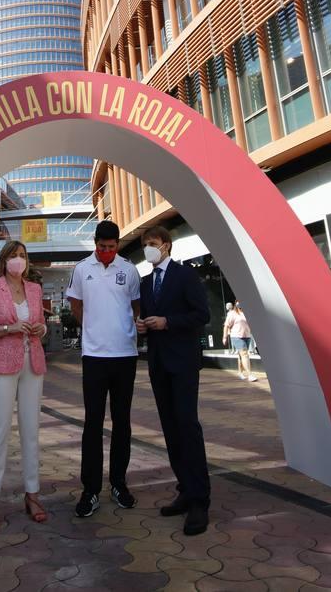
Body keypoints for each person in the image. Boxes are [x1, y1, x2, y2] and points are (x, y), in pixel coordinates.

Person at [136, 225, 211, 536]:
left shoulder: (185, 275)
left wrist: (169, 322)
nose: (148, 249)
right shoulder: (145, 282)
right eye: (145, 245)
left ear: (166, 245)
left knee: (186, 424)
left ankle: (200, 500)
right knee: (169, 426)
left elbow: (202, 314)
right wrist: (143, 326)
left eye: (152, 244)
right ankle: (185, 488)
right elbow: (148, 319)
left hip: (183, 362)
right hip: (158, 363)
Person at [66, 219, 141, 518]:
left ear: (118, 245)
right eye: (101, 247)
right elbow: (75, 305)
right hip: (94, 357)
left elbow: (135, 307)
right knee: (93, 423)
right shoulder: (82, 269)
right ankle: (91, 489)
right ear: (95, 243)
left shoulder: (130, 269)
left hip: (125, 356)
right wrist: (94, 329)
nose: (106, 252)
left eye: (111, 247)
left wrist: (123, 329)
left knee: (122, 422)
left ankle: (119, 484)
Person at [0, 240, 47, 531]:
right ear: (4, 261)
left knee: (31, 431)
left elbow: (39, 323)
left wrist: (39, 328)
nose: (19, 260)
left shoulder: (35, 289)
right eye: (14, 256)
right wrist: (7, 329)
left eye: (23, 255)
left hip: (33, 365)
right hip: (1, 366)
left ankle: (33, 494)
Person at [223, 301, 257, 382]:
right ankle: (250, 375)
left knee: (241, 355)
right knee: (245, 354)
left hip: (247, 336)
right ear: (236, 304)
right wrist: (224, 337)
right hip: (236, 336)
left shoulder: (247, 312)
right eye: (238, 302)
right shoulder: (232, 313)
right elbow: (226, 325)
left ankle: (240, 372)